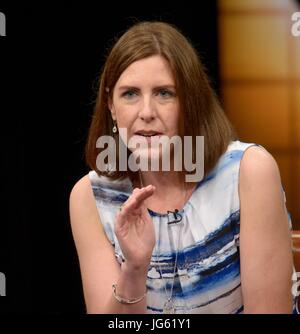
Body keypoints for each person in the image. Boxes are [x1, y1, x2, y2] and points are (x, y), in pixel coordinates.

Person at [69, 21, 298, 314]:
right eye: (130, 94)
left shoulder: (249, 172)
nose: (147, 112)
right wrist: (135, 269)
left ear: (190, 101)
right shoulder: (89, 197)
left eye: (165, 93)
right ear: (111, 105)